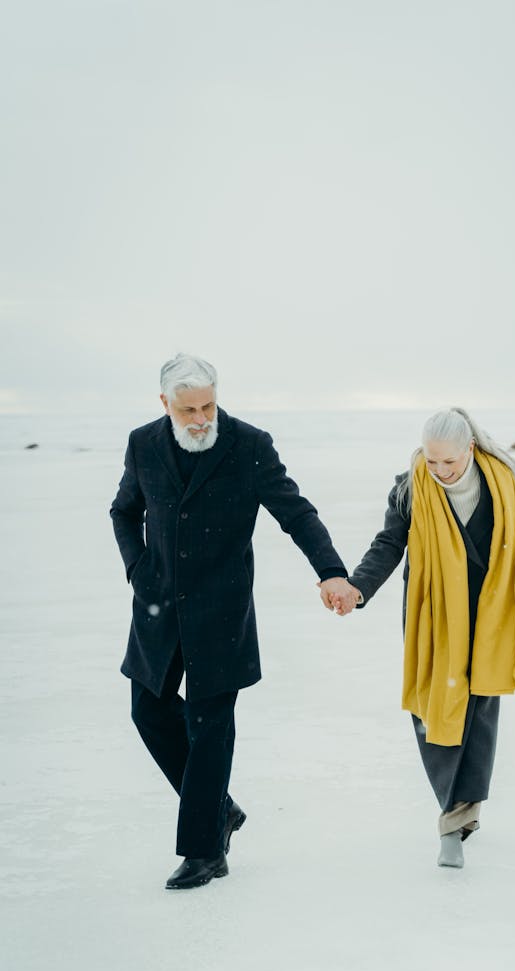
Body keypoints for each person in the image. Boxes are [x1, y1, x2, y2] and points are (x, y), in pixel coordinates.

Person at [110, 354, 352, 889]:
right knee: (147, 712)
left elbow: (296, 512)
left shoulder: (248, 445)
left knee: (210, 727)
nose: (200, 419)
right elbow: (124, 510)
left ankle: (205, 851)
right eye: (188, 409)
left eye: (208, 406)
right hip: (157, 607)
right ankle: (218, 809)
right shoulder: (143, 443)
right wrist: (138, 567)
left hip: (221, 611)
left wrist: (331, 571)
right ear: (164, 405)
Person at [330, 407, 515, 869]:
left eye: (448, 463)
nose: (439, 471)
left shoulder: (501, 482)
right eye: (431, 461)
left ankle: (460, 815)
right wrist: (358, 588)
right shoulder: (410, 488)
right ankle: (453, 812)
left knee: (479, 708)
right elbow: (388, 545)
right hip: (434, 614)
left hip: (488, 611)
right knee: (435, 703)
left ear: (470, 451)